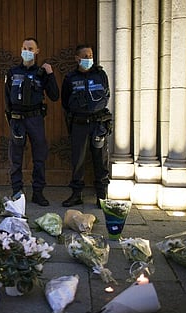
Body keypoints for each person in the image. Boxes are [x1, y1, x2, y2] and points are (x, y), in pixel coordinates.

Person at [4, 37, 59, 206]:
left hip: (35, 119)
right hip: (17, 120)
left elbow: (55, 96)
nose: (27, 51)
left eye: (30, 48)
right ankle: (17, 192)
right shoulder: (12, 72)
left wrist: (50, 74)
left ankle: (38, 192)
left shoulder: (41, 73)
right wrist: (11, 119)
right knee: (16, 158)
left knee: (39, 158)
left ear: (37, 51)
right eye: (24, 47)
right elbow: (7, 99)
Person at [61, 44, 112, 208]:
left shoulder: (100, 74)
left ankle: (102, 196)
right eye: (85, 56)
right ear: (77, 58)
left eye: (90, 56)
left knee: (100, 160)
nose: (89, 59)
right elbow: (65, 101)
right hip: (79, 125)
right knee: (78, 161)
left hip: (98, 124)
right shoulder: (70, 78)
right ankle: (76, 195)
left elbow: (107, 94)